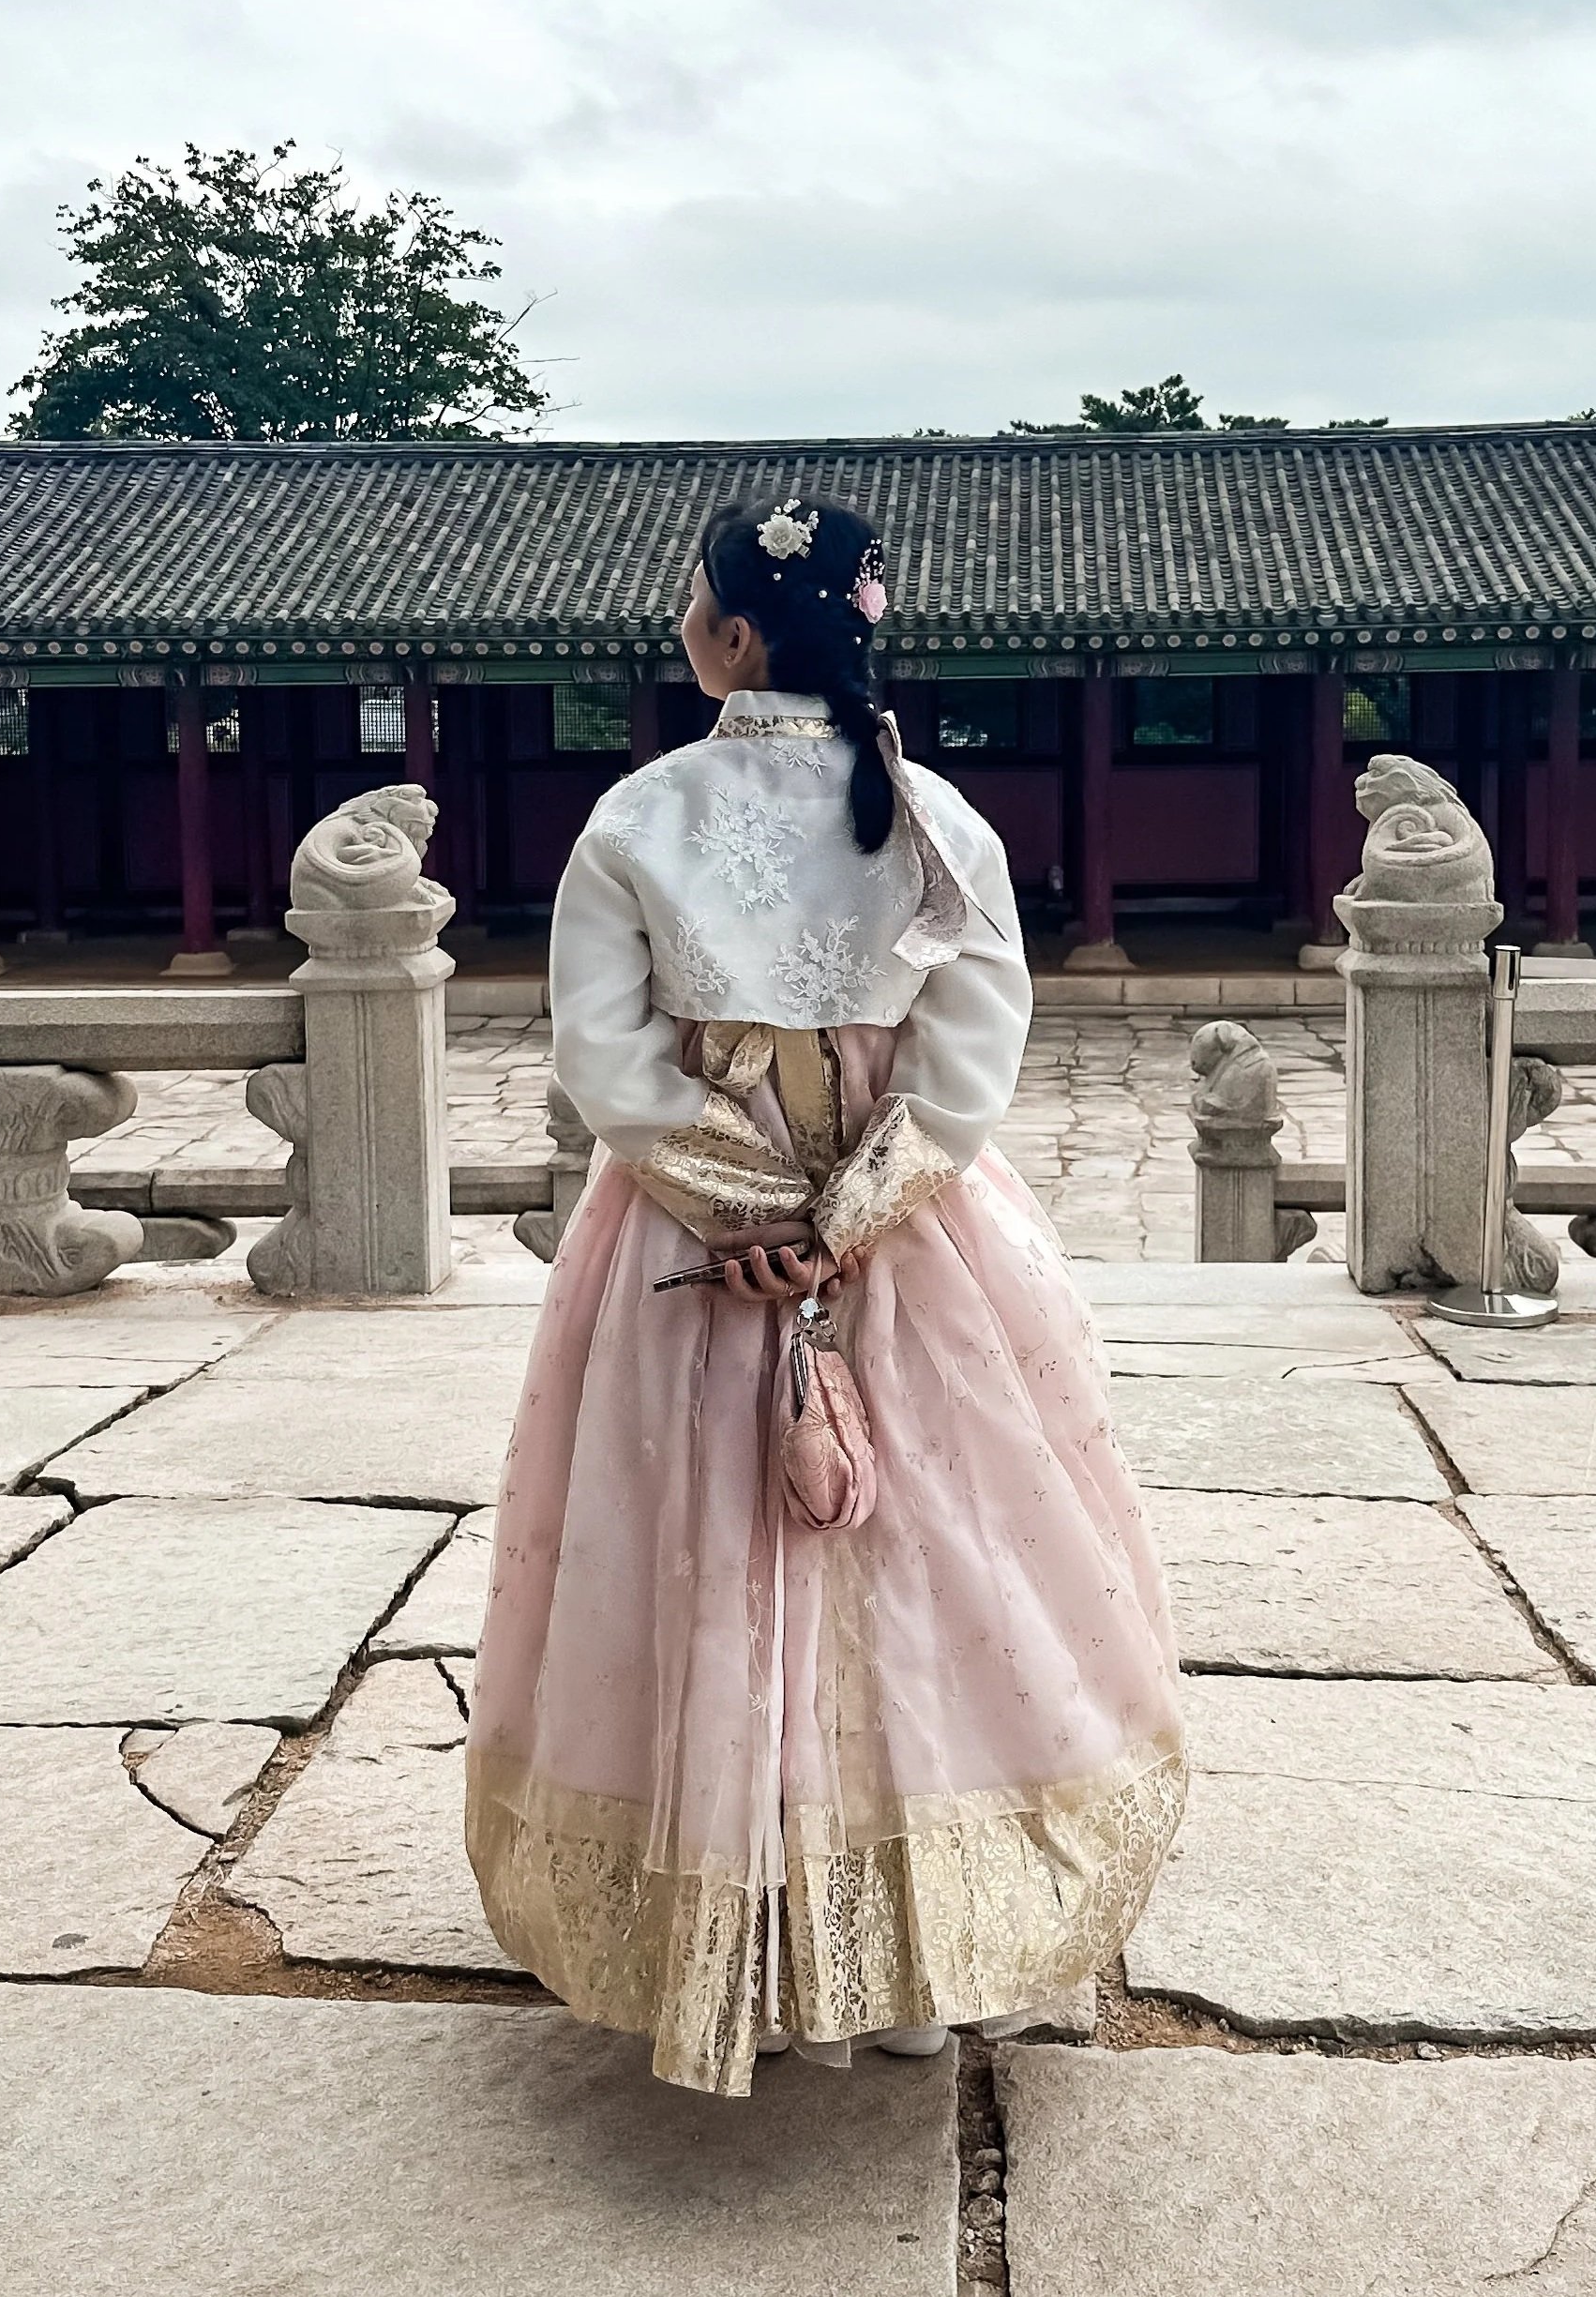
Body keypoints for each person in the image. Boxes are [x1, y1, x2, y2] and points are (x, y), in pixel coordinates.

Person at [465, 493, 1185, 2095]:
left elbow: (605, 1058)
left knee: (693, 1546)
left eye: (685, 605)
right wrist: (845, 1220)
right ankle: (929, 1948)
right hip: (914, 1236)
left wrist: (743, 1217)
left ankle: (739, 1925)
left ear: (727, 634)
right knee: (935, 1547)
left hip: (684, 1237)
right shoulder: (940, 818)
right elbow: (970, 1063)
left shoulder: (639, 813)